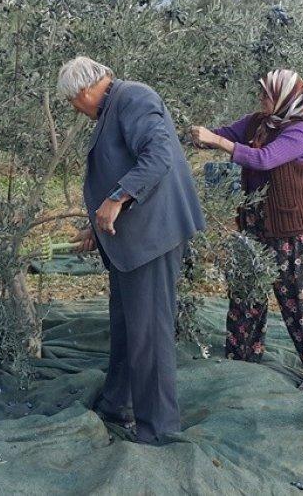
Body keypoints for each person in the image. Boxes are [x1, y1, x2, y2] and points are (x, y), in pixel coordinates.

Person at [59, 56, 205, 445]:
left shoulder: (135, 98)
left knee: (150, 334)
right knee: (126, 325)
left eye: (74, 102)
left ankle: (158, 428)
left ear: (86, 90)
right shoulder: (115, 105)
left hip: (152, 238)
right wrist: (96, 226)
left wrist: (116, 199)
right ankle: (116, 403)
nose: (76, 110)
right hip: (131, 241)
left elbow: (158, 158)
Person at [190, 69, 303, 392]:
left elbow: (264, 159)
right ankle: (241, 359)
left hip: (292, 230)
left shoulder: (300, 131)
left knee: (299, 302)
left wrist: (219, 142)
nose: (261, 100)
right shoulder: (258, 123)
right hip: (254, 225)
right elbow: (221, 133)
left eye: (266, 95)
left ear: (284, 97)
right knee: (246, 294)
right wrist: (194, 135)